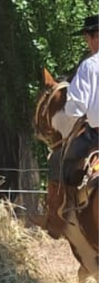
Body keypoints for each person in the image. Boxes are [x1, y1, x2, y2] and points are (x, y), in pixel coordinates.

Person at [45, 14, 99, 238]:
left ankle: (56, 220)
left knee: (57, 160)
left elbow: (75, 108)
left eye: (87, 38)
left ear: (94, 38)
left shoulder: (90, 67)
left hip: (96, 136)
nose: (87, 43)